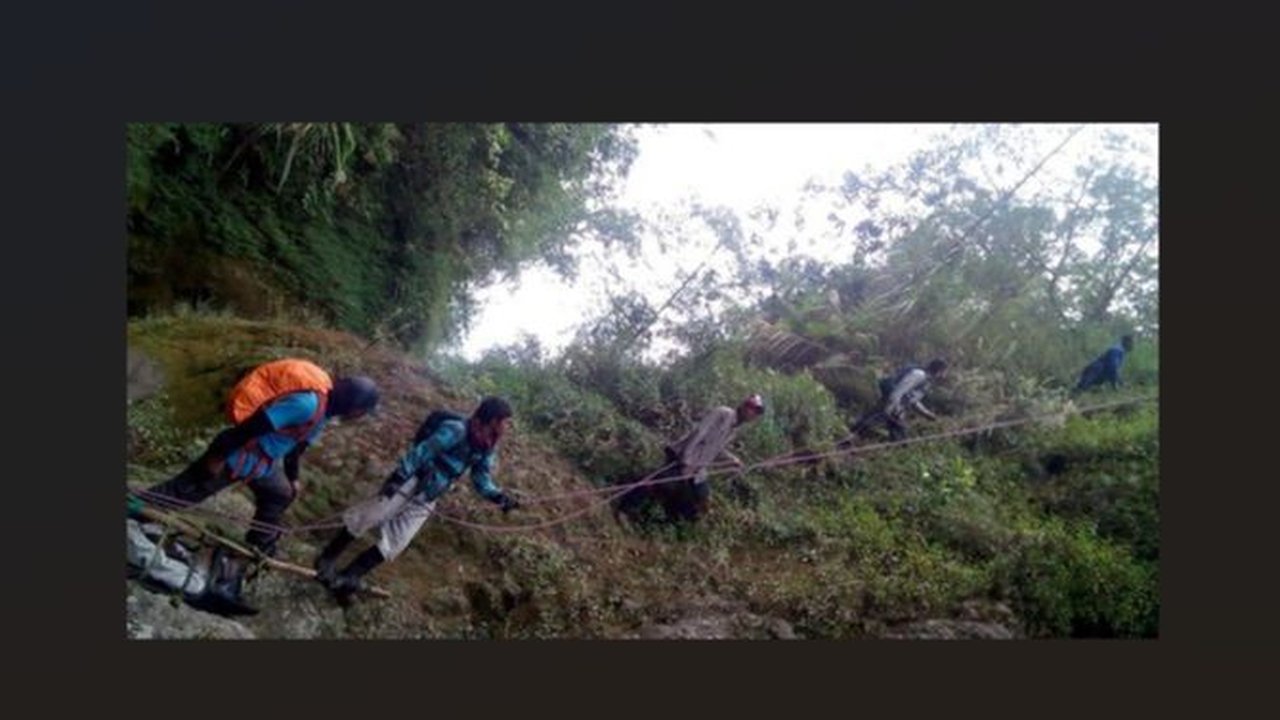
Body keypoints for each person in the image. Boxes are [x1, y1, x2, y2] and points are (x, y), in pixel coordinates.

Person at [139, 359, 379, 609]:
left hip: (262, 464)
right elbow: (248, 429)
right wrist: (216, 459)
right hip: (235, 456)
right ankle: (135, 513)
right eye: (362, 412)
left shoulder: (323, 413)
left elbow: (296, 448)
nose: (359, 417)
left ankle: (248, 554)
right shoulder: (307, 404)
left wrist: (293, 479)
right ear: (355, 409)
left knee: (279, 494)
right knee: (180, 493)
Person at [312, 396, 520, 603]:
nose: (506, 427)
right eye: (505, 421)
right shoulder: (457, 429)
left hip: (432, 493)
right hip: (412, 479)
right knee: (370, 515)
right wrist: (399, 476)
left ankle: (350, 575)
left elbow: (481, 477)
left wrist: (498, 496)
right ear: (493, 419)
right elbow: (423, 451)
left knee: (398, 540)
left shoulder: (487, 446)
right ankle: (327, 558)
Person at [614, 394, 766, 525]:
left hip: (698, 469)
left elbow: (717, 448)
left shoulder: (734, 429)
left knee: (699, 501)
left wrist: (733, 459)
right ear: (744, 407)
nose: (753, 414)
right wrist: (686, 457)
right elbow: (699, 432)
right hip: (682, 457)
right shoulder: (723, 414)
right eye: (752, 409)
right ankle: (624, 509)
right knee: (659, 483)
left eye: (756, 412)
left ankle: (660, 524)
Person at [847, 358, 948, 443]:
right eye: (944, 372)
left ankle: (851, 437)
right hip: (890, 403)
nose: (944, 375)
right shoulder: (919, 375)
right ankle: (847, 439)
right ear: (939, 370)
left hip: (896, 407)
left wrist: (927, 414)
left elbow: (912, 400)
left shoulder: (926, 380)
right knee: (871, 422)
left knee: (897, 431)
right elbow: (899, 391)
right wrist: (890, 408)